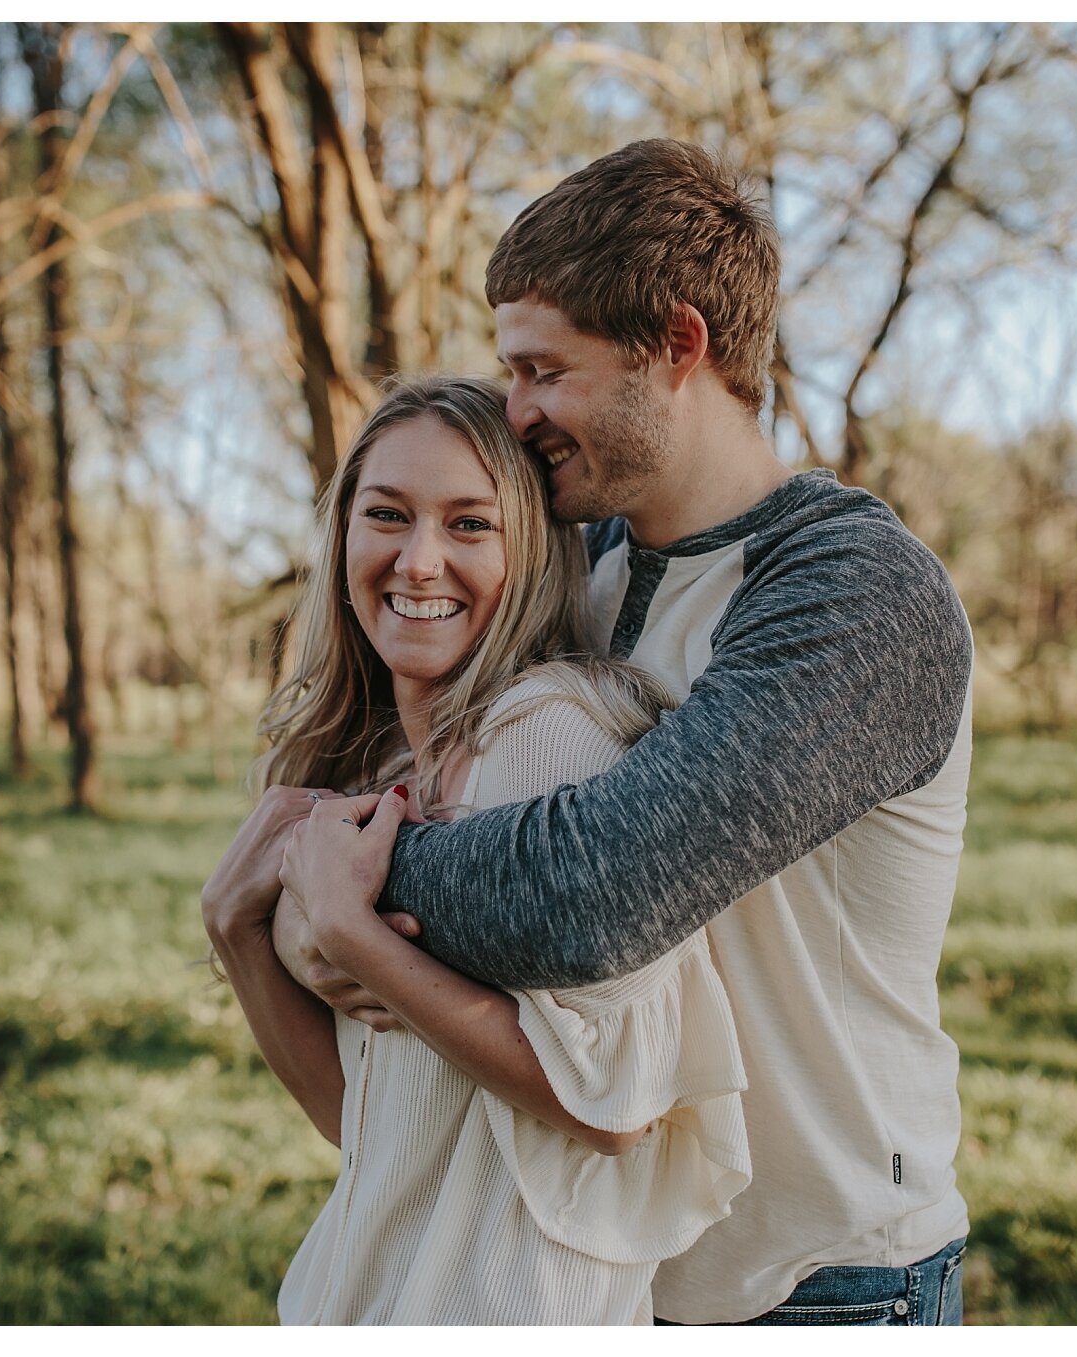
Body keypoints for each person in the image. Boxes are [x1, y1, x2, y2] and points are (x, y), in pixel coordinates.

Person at [273, 140, 976, 1325]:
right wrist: (297, 905)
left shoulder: (850, 592)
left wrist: (335, 867)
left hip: (820, 1280)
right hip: (605, 1267)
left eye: (546, 370)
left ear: (677, 347)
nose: (517, 410)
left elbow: (595, 891)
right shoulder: (578, 567)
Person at [201, 375, 752, 1325]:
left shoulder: (546, 734)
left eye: (469, 525)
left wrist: (347, 929)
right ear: (342, 538)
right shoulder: (377, 765)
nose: (418, 561)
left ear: (531, 551)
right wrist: (238, 931)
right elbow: (368, 1133)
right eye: (387, 514)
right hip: (360, 1300)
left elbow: (615, 1114)